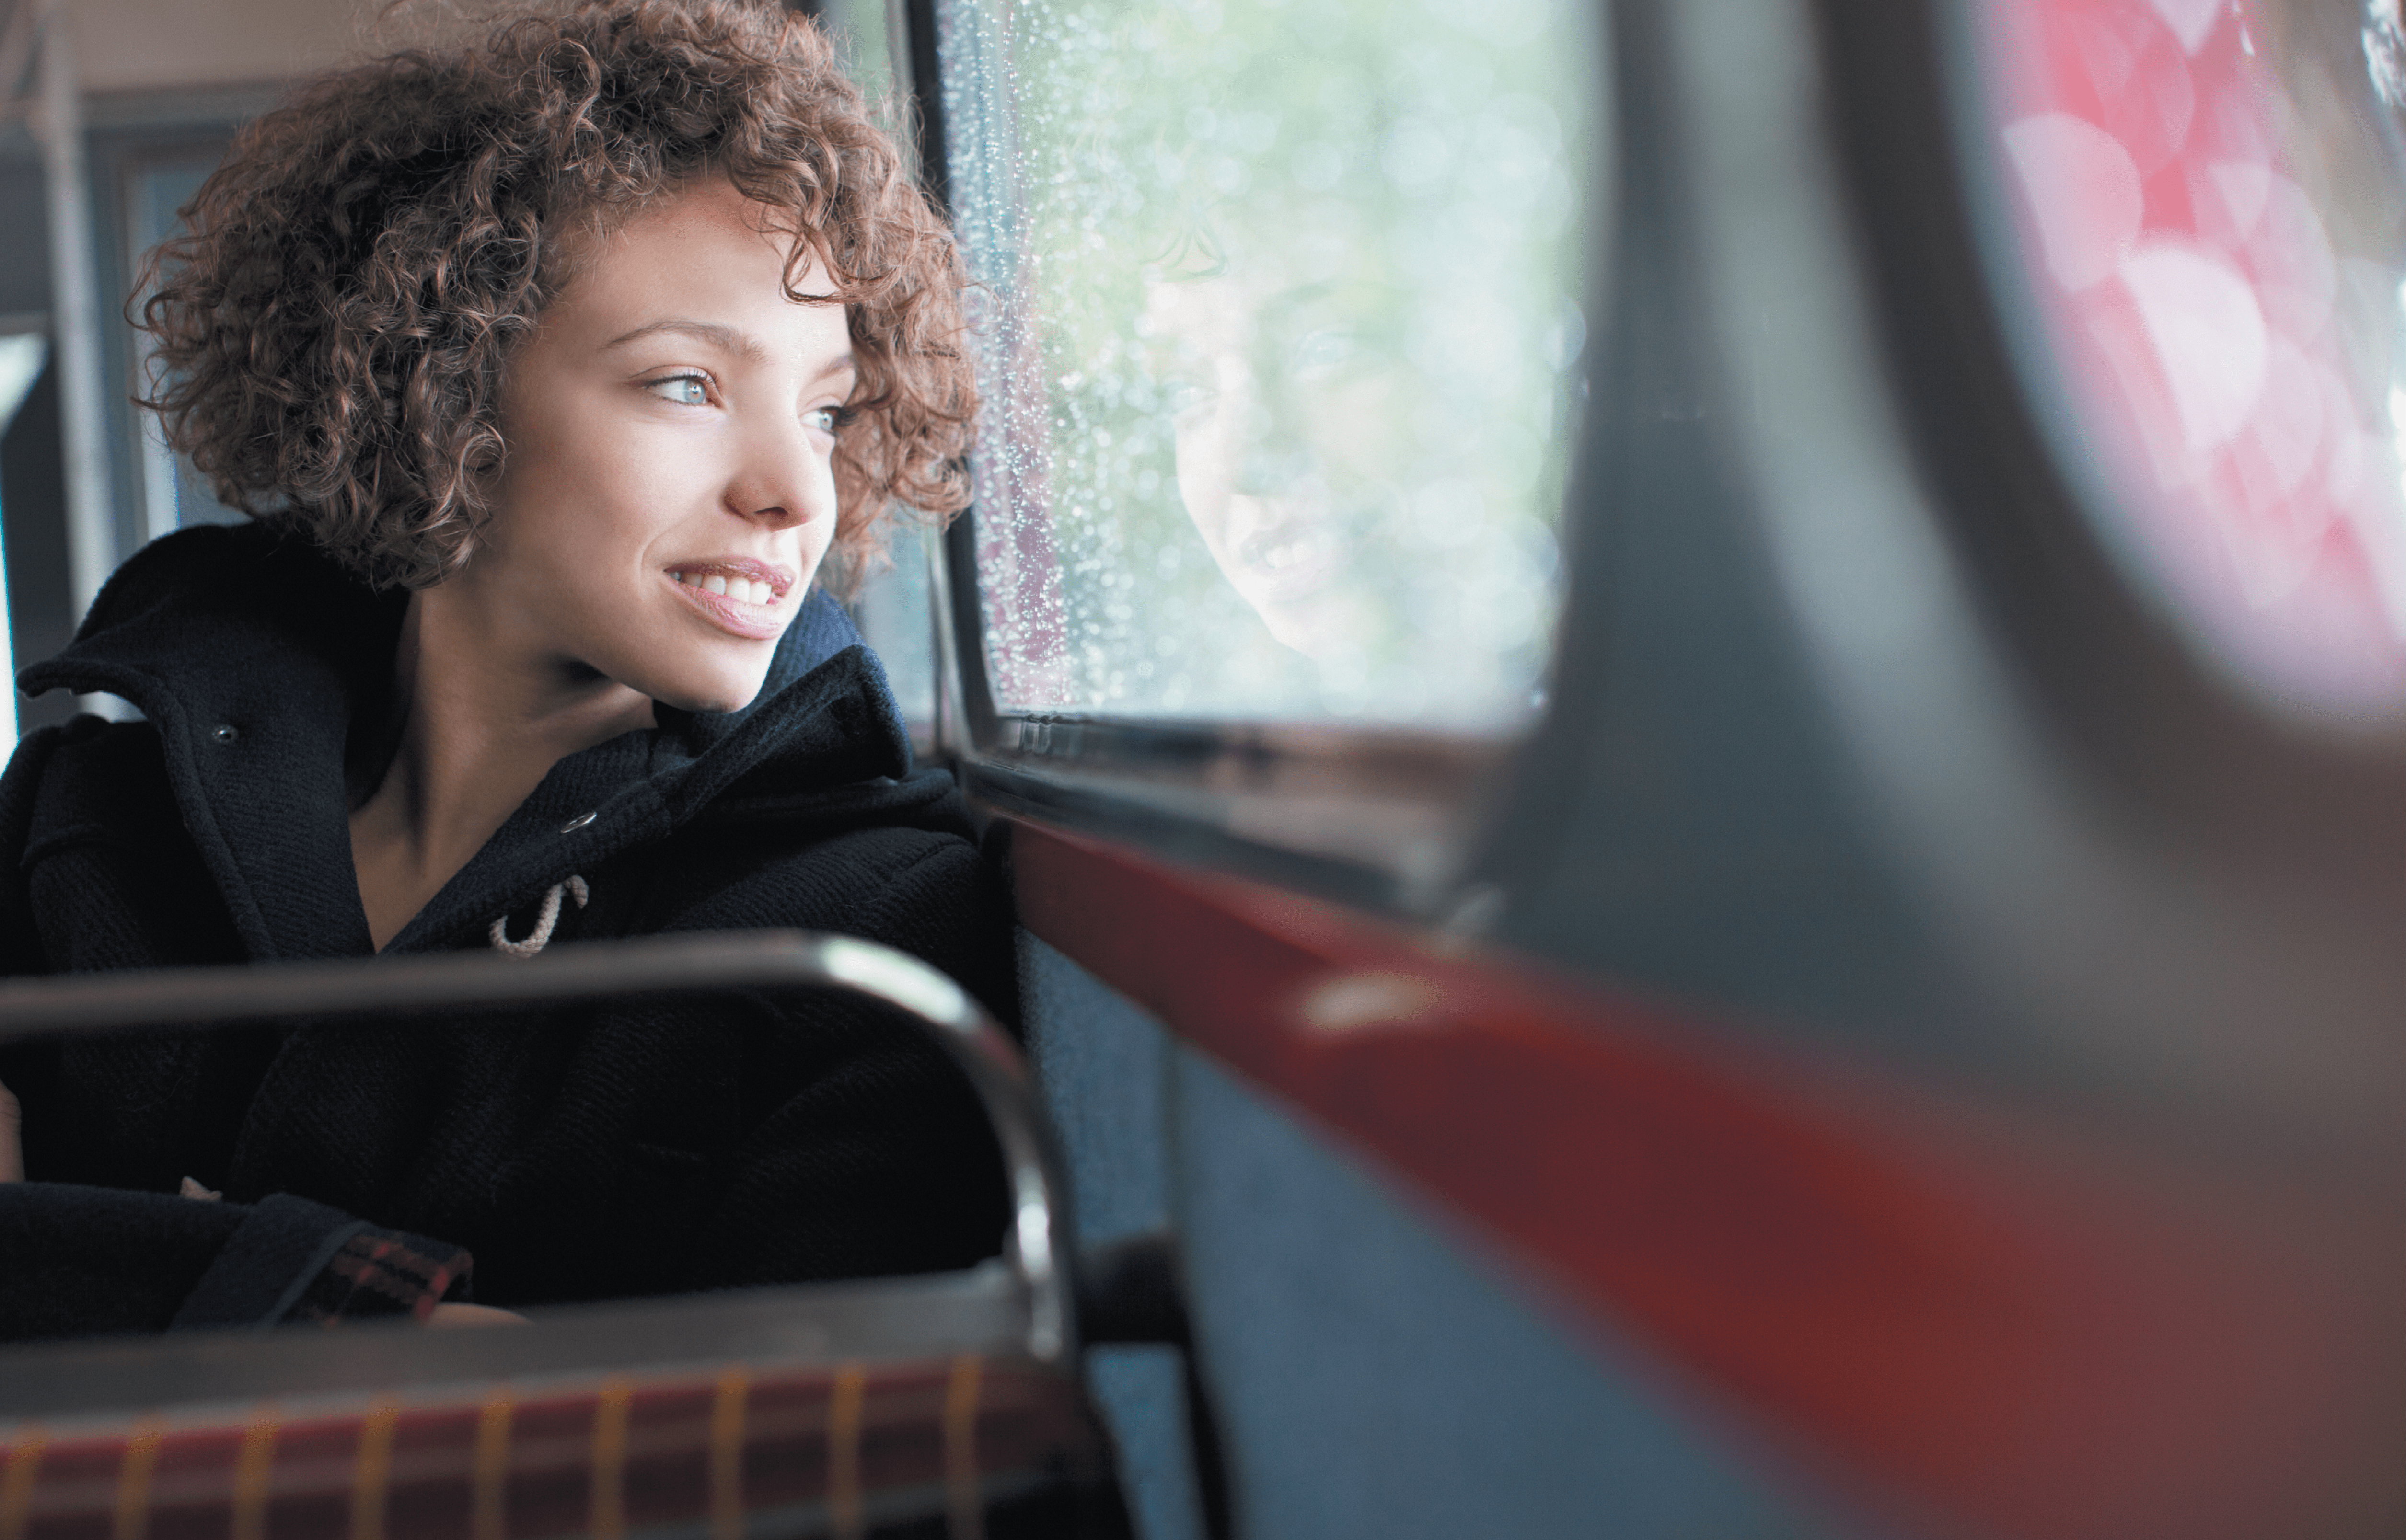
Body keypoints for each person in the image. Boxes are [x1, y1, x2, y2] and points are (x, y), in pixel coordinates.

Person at [0, 0, 1009, 1339]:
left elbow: (767, 1456)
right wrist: (380, 1323)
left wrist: (135, 1270)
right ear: (442, 390)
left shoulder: (868, 923)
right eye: (686, 385)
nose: (792, 492)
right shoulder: (84, 814)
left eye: (824, 409)